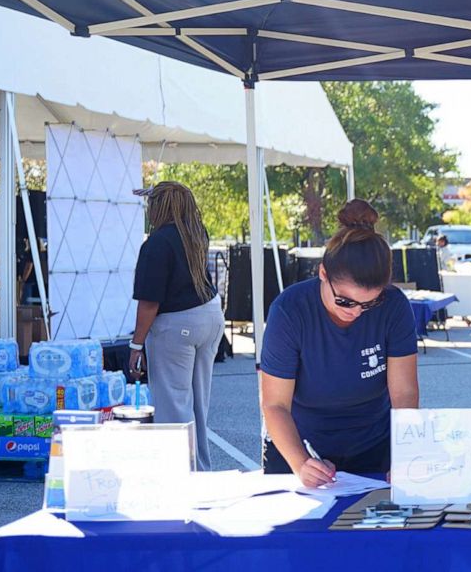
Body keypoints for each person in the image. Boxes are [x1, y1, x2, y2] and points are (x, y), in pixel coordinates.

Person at [260, 200, 419, 486]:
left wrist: (406, 456)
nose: (356, 311)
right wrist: (301, 463)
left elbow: (404, 395)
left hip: (374, 447)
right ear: (323, 273)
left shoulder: (394, 306)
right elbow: (274, 404)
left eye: (370, 303)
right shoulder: (289, 311)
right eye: (345, 301)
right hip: (299, 444)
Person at [129, 181, 227, 470]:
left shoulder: (156, 243)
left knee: (173, 404)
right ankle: (201, 471)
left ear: (158, 207)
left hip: (177, 324)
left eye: (151, 204)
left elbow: (149, 303)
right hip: (210, 315)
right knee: (198, 405)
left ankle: (179, 477)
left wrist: (136, 345)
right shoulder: (196, 235)